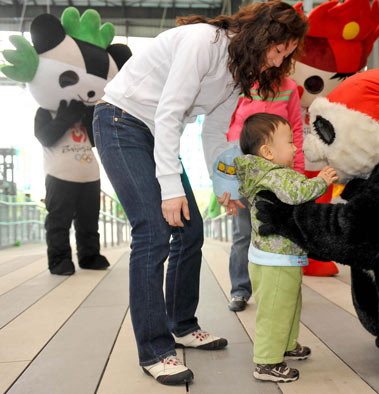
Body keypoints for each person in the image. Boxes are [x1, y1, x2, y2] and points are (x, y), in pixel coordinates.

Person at [93, 1, 308, 385]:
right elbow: (170, 112)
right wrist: (170, 187)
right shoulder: (203, 42)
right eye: (278, 51)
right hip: (120, 121)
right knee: (153, 233)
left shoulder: (237, 73)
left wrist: (223, 185)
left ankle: (181, 324)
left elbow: (213, 133)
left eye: (286, 56)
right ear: (262, 36)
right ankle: (155, 349)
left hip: (155, 132)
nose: (277, 62)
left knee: (190, 231)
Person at [233, 113, 338, 382]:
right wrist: (321, 181)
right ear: (267, 152)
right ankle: (267, 362)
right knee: (275, 311)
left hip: (274, 258)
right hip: (276, 260)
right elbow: (297, 193)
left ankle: (287, 345)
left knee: (288, 305)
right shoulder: (276, 176)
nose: (295, 147)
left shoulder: (264, 174)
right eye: (290, 141)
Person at [225, 76, 304, 312]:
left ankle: (279, 288)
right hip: (244, 172)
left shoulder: (289, 87)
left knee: (281, 233)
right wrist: (225, 179)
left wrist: (297, 173)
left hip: (279, 174)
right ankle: (240, 290)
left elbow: (296, 131)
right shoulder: (240, 84)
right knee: (243, 233)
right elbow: (225, 127)